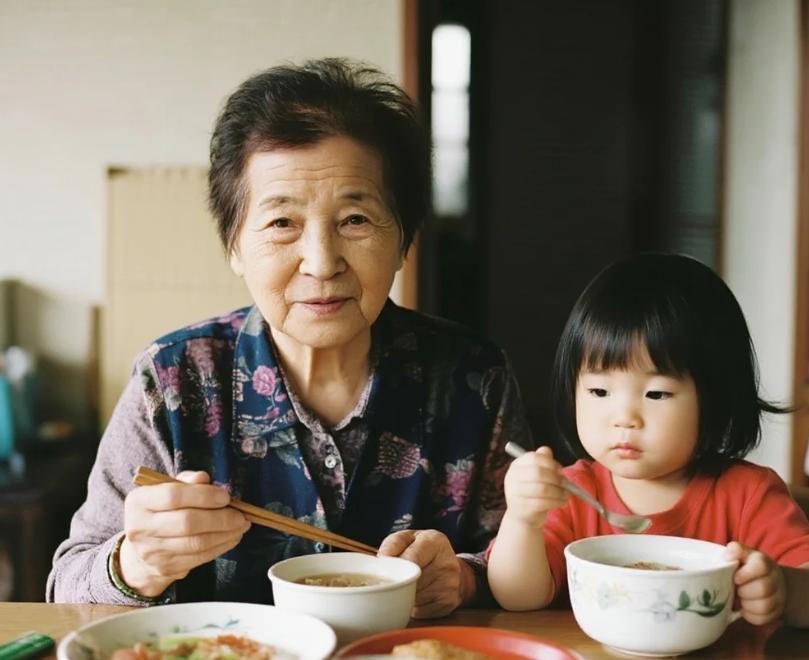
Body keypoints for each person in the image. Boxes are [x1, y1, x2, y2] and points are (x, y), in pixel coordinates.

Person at [47, 58, 532, 615]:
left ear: (403, 241)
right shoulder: (174, 378)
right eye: (282, 223)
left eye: (355, 220)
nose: (322, 263)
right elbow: (66, 586)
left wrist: (463, 579)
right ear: (234, 246)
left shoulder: (475, 377)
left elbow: (534, 565)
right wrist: (138, 563)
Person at [487, 253, 809, 627]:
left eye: (656, 394)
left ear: (718, 397)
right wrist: (523, 520)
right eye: (599, 391)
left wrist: (784, 587)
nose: (624, 418)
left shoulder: (749, 495)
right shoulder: (570, 493)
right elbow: (517, 597)